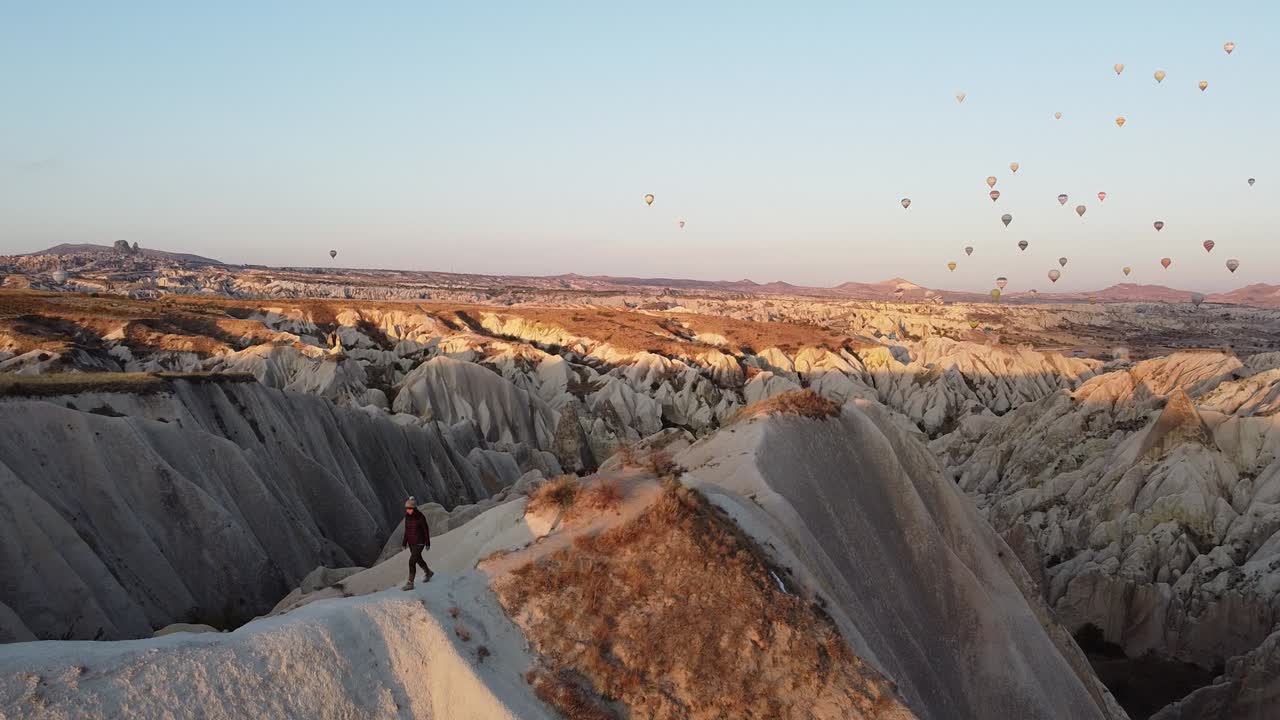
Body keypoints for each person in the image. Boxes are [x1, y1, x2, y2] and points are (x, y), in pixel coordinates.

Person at [401, 496, 432, 590]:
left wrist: (427, 543)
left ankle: (410, 583)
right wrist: (404, 543)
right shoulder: (407, 517)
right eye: (407, 509)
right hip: (411, 543)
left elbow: (425, 530)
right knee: (418, 559)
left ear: (414, 508)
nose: (408, 511)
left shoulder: (420, 517)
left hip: (420, 542)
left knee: (411, 562)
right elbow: (406, 531)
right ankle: (428, 572)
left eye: (410, 509)